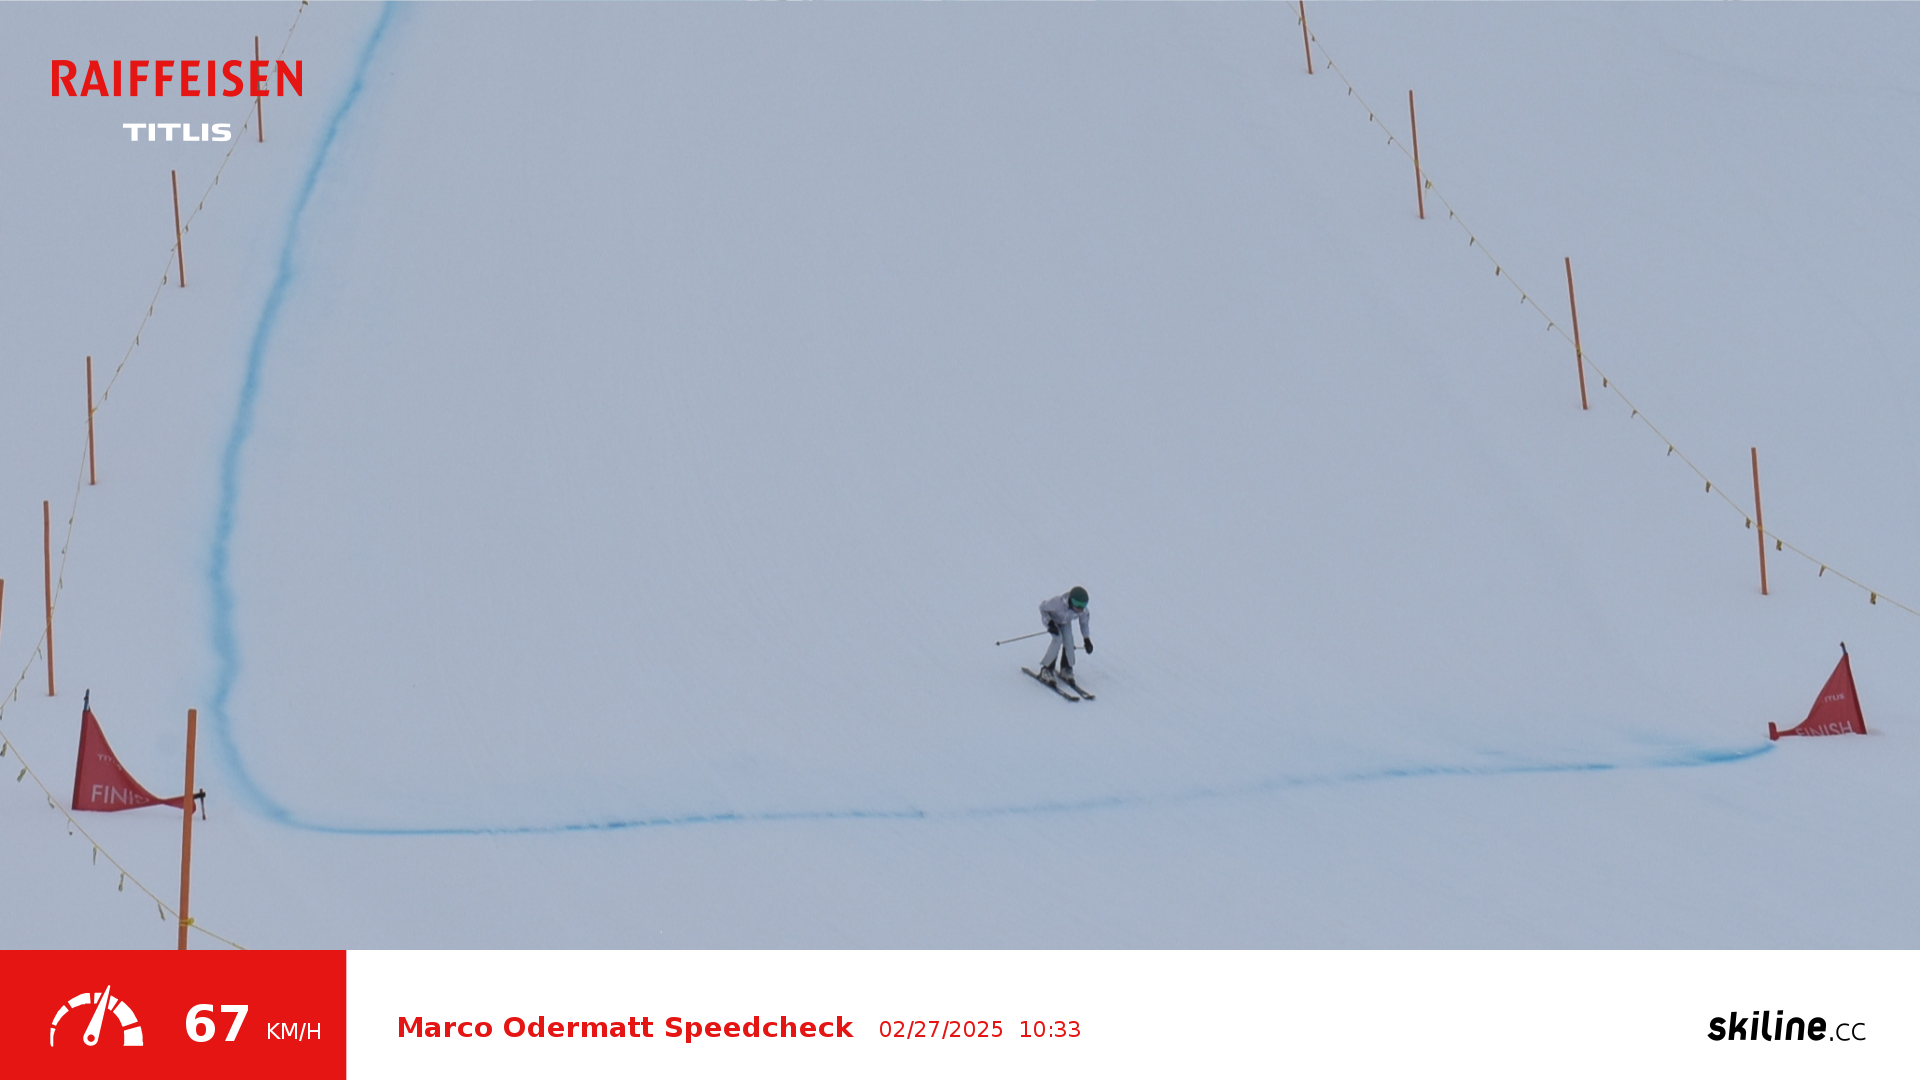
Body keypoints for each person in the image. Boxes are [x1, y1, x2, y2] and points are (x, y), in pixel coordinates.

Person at [1036, 586, 1091, 685]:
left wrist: (1086, 639)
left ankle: (1066, 668)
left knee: (1069, 642)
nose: (1079, 608)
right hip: (1053, 621)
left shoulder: (1083, 611)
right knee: (1058, 639)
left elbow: (1084, 624)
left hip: (1065, 623)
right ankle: (1047, 669)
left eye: (1083, 605)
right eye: (1076, 603)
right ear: (1071, 600)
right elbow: (1042, 608)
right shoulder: (1058, 603)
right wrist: (1049, 623)